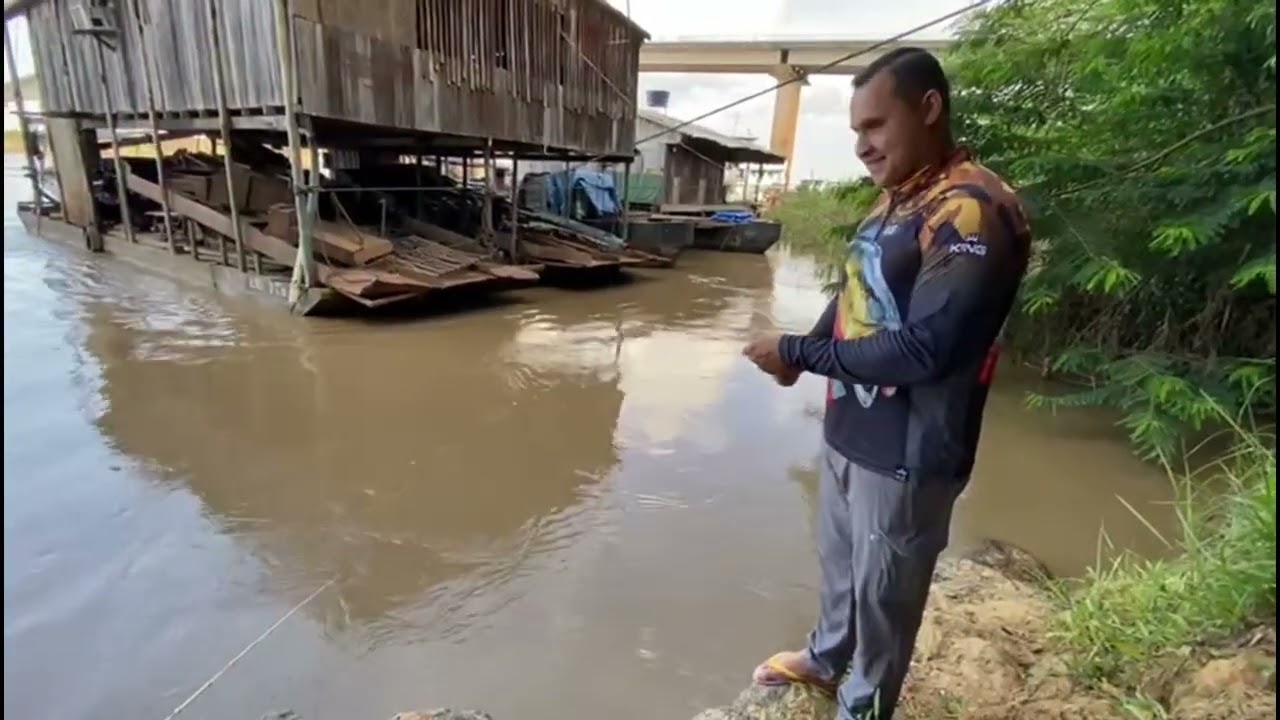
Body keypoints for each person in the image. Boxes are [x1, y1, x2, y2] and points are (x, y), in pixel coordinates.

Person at [741, 47, 1032, 719]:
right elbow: (856, 291)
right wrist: (804, 351)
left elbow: (928, 349)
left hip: (910, 454)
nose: (863, 147)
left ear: (928, 109)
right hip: (852, 430)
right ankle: (825, 656)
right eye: (854, 133)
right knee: (843, 569)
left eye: (875, 126)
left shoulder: (971, 208)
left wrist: (797, 351)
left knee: (886, 600)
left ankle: (863, 707)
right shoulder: (898, 200)